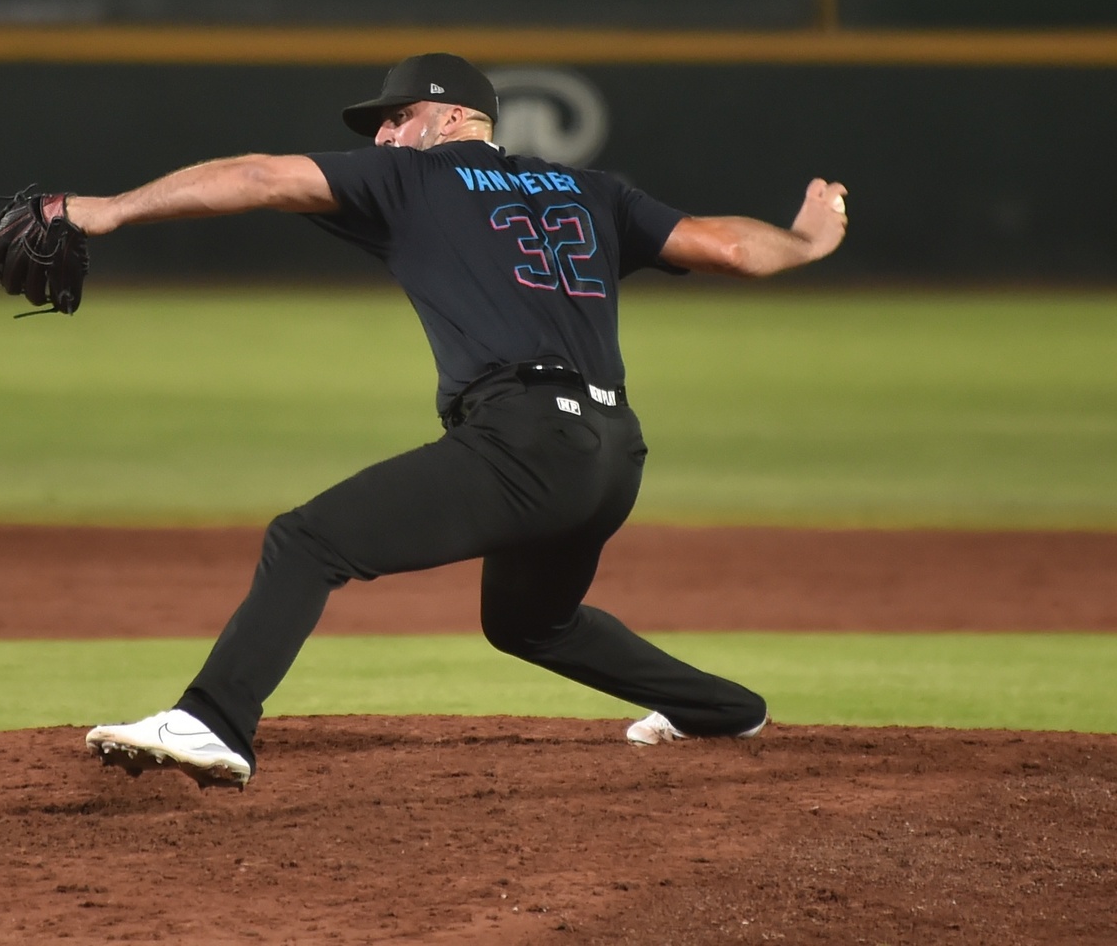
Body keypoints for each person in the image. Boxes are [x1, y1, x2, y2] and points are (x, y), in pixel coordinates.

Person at [78, 53, 848, 789]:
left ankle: (210, 721)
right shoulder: (592, 189)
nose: (380, 136)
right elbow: (730, 248)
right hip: (614, 452)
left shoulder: (411, 177)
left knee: (308, 539)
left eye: (396, 116)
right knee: (531, 622)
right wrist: (810, 240)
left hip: (527, 441)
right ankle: (723, 711)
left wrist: (110, 210)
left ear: (449, 119)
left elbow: (255, 177)